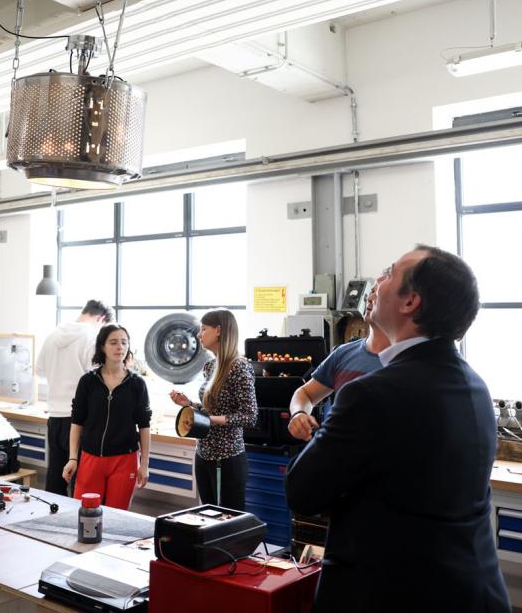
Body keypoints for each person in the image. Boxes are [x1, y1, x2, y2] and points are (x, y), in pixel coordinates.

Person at [284, 245, 510, 612]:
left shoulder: (369, 395)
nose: (378, 280)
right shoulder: (475, 385)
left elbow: (302, 492)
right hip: (472, 591)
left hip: (391, 593)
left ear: (410, 303)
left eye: (389, 273)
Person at [170, 308, 257, 511]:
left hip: (226, 459)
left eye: (204, 329)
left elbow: (250, 416)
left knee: (226, 523)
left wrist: (213, 421)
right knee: (207, 517)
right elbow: (212, 410)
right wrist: (190, 405)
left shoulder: (239, 367)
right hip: (203, 454)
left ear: (218, 330)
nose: (199, 334)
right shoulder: (210, 366)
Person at [63, 324, 151, 509]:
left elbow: (144, 425)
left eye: (124, 342)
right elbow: (77, 421)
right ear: (102, 346)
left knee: (116, 517)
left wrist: (144, 464)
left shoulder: (137, 384)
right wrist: (73, 458)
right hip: (91, 458)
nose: (119, 347)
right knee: (85, 513)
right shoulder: (88, 381)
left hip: (124, 460)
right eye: (113, 342)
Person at [288, 288, 389, 441]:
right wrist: (299, 413)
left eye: (380, 292)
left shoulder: (409, 361)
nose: (370, 297)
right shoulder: (343, 354)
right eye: (372, 290)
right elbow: (305, 394)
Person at [37, 300, 113, 495]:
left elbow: (40, 370)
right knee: (82, 481)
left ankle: (49, 523)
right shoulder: (92, 337)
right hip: (81, 420)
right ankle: (79, 525)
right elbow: (99, 376)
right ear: (100, 319)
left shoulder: (53, 335)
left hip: (55, 416)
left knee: (55, 477)